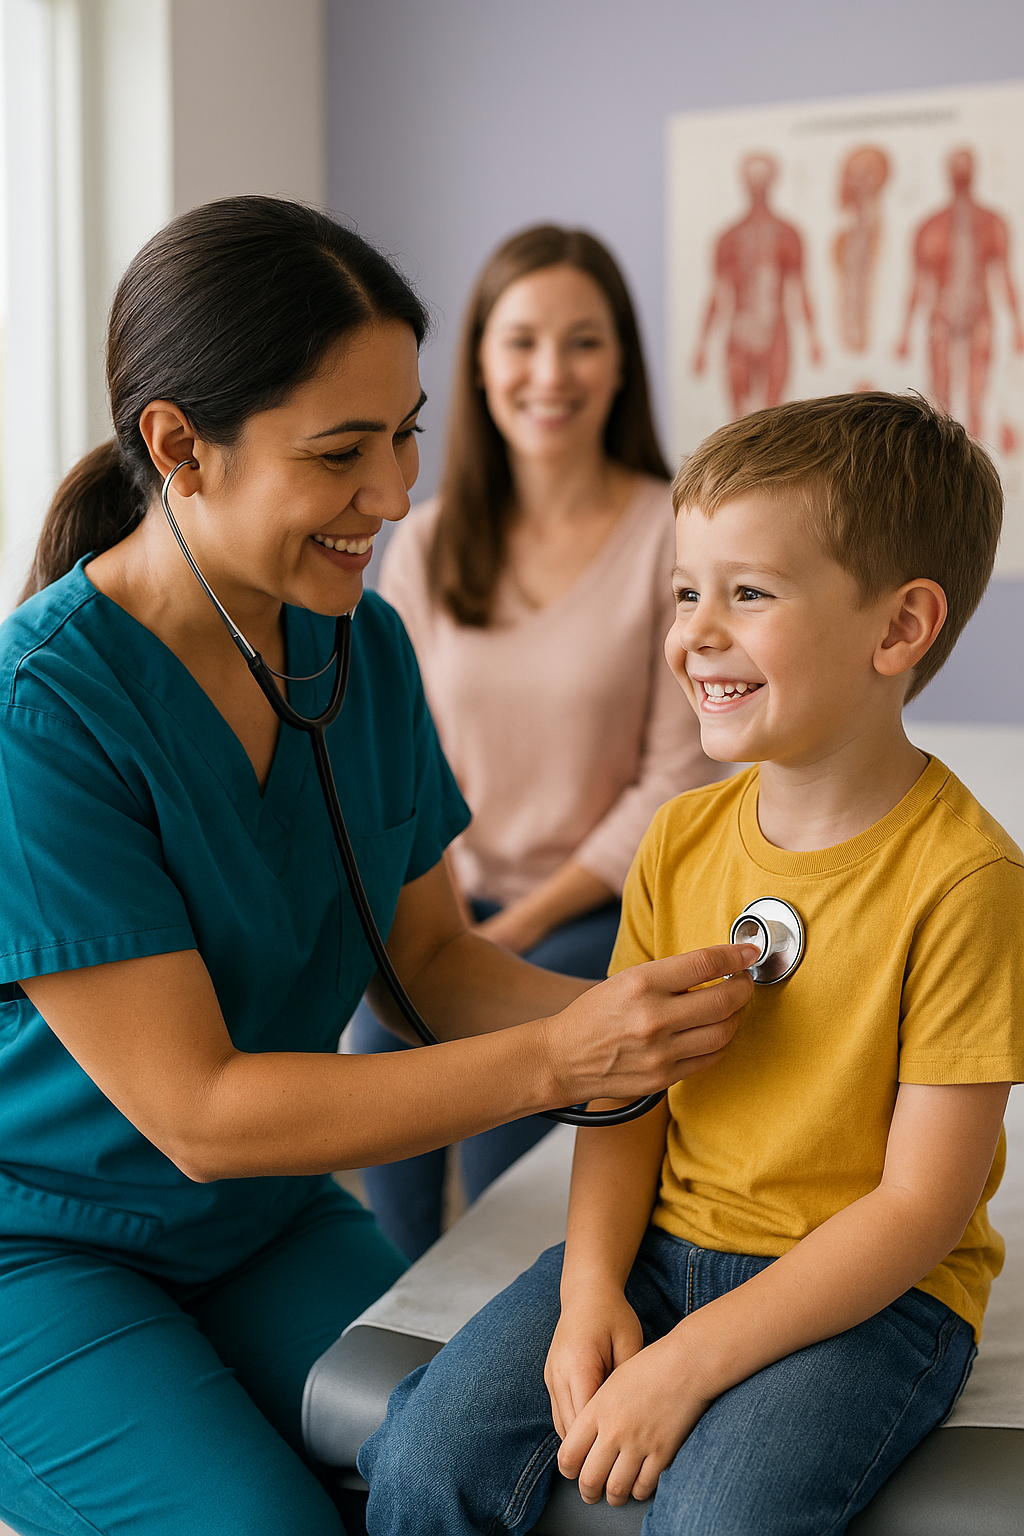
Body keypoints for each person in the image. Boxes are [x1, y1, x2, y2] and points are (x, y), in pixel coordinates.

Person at [0, 196, 759, 1536]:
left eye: (407, 435)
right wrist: (565, 1059)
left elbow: (431, 964)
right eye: (343, 451)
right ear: (180, 446)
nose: (397, 496)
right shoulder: (42, 717)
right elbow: (199, 1110)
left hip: (265, 1223)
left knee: (478, 1470)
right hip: (44, 1251)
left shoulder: (360, 648)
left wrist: (675, 1012)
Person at [360, 392, 1024, 1536]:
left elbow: (924, 1204)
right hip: (665, 1249)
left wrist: (688, 1365)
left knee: (719, 1517)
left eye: (747, 593)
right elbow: (628, 1094)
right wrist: (585, 1295)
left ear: (899, 627)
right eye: (683, 592)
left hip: (871, 1299)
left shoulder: (967, 881)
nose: (693, 633)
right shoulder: (677, 839)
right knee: (422, 1459)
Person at [349, 224, 715, 1260]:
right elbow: (399, 748)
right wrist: (447, 911)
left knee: (516, 1054)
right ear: (476, 362)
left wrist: (501, 934)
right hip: (447, 892)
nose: (549, 373)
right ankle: (395, 1292)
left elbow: (672, 781)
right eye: (521, 341)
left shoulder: (675, 533)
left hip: (603, 904)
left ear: (621, 363)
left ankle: (514, 1302)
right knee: (382, 1034)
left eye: (583, 342)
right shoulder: (420, 538)